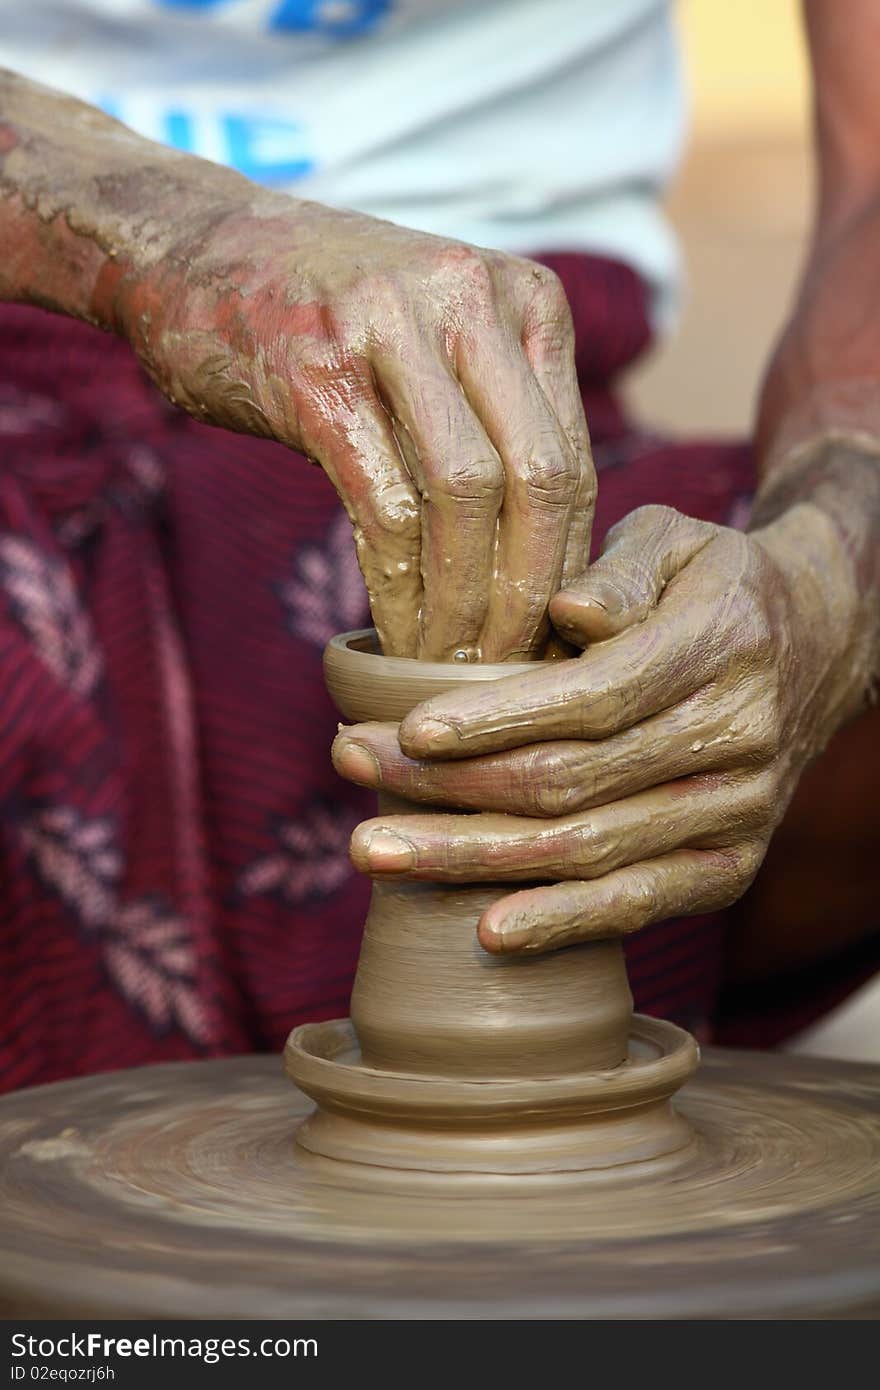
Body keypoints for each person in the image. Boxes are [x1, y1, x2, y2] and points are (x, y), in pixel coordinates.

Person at [0, 0, 877, 1093]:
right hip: (31, 274)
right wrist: (149, 228)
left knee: (702, 650)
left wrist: (836, 565)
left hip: (496, 388)